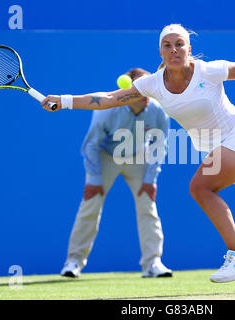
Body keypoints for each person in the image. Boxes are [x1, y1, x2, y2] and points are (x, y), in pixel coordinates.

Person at [42, 24, 235, 289]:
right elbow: (107, 99)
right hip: (219, 150)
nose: (174, 49)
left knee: (200, 188)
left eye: (179, 44)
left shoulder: (209, 71)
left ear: (189, 47)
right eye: (167, 45)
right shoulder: (151, 84)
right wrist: (65, 101)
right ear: (160, 51)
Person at [59, 68, 173, 278]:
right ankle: (73, 262)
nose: (147, 95)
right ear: (128, 90)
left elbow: (160, 145)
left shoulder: (158, 111)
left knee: (148, 206)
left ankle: (153, 263)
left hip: (139, 155)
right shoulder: (107, 110)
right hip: (105, 156)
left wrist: (150, 179)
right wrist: (94, 179)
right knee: (90, 204)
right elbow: (91, 145)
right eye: (141, 89)